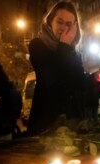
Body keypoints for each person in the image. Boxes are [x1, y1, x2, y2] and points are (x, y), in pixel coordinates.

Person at [27, 0, 86, 135]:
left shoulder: (73, 52)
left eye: (68, 24)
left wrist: (96, 78)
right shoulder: (37, 45)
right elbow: (51, 78)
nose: (63, 28)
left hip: (72, 122)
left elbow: (79, 84)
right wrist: (64, 46)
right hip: (46, 121)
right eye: (59, 22)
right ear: (50, 21)